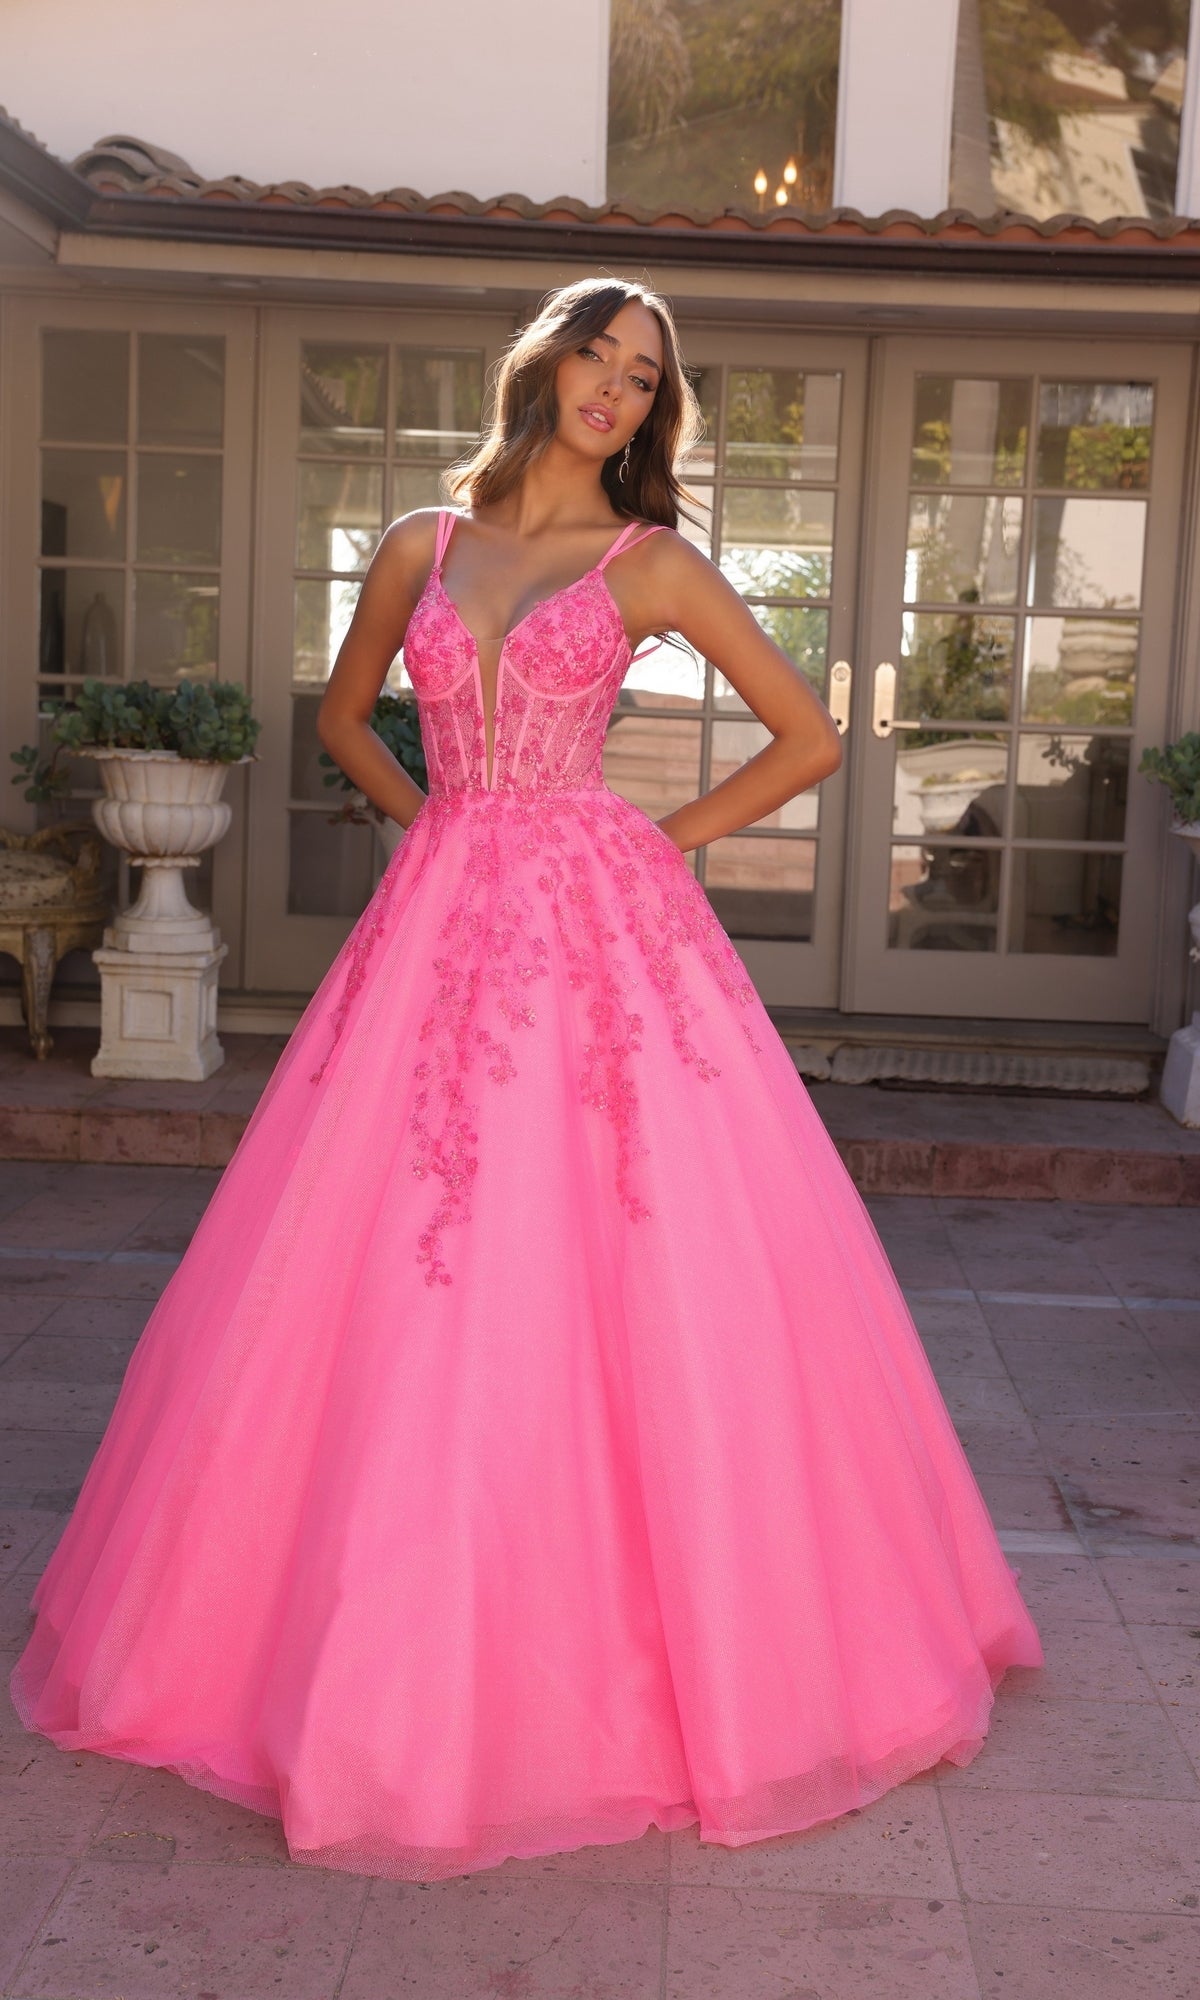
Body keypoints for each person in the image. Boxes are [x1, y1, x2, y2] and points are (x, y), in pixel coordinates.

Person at [9, 276, 1043, 1884]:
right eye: (598, 358)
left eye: (645, 380)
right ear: (546, 364)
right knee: (389, 1239)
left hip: (591, 922)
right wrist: (428, 819)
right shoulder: (425, 540)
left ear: (653, 411)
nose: (616, 392)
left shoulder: (653, 565)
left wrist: (658, 841)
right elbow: (350, 716)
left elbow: (807, 735)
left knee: (610, 1235)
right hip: (438, 914)